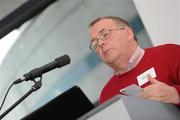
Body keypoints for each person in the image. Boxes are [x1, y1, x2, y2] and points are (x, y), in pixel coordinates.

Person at [88, 16, 180, 104]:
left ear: (128, 33)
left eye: (105, 34)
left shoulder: (169, 53)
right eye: (95, 43)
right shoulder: (106, 95)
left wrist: (176, 94)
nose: (100, 43)